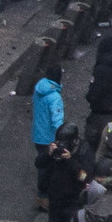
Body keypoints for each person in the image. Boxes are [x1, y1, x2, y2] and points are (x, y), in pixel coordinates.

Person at [31, 68, 65, 212]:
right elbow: (57, 120)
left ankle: (43, 196)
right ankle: (44, 196)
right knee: (48, 167)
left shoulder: (39, 90)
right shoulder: (55, 97)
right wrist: (62, 136)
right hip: (49, 137)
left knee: (42, 163)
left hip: (38, 134)